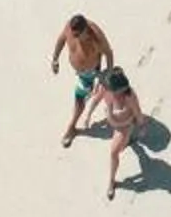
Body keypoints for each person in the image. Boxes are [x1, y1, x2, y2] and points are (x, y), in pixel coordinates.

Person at [51, 12, 114, 148]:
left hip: (89, 73)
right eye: (73, 35)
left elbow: (108, 53)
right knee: (88, 96)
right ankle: (106, 94)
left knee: (79, 100)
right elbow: (61, 39)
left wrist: (107, 74)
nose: (75, 38)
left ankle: (71, 128)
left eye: (78, 35)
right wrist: (55, 59)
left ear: (86, 30)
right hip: (80, 71)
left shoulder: (96, 38)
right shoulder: (70, 27)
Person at [88, 67, 147, 200]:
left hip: (123, 127)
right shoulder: (107, 87)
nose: (111, 93)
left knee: (114, 152)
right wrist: (88, 115)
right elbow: (97, 99)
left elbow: (138, 112)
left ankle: (112, 181)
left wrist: (142, 126)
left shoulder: (129, 96)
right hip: (112, 123)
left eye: (114, 91)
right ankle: (129, 142)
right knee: (133, 149)